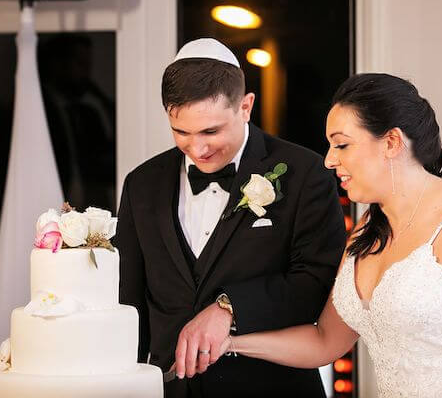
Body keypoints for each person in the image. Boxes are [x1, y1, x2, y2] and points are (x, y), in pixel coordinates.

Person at [216, 73, 442, 398]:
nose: (329, 159)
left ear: (392, 142)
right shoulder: (367, 231)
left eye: (342, 144)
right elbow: (325, 340)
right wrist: (231, 343)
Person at [114, 38, 346, 397]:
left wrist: (229, 308)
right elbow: (129, 301)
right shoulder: (141, 184)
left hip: (271, 389)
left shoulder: (305, 173)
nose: (198, 149)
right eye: (181, 132)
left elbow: (317, 282)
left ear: (246, 106)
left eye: (211, 131)